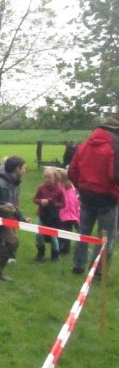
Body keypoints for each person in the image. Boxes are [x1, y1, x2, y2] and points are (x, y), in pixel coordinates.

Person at [68, 113, 119, 278]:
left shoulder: (84, 146)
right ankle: (97, 272)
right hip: (107, 197)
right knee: (106, 237)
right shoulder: (114, 147)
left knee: (84, 232)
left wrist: (81, 187)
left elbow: (72, 171)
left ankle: (78, 265)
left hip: (86, 194)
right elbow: (115, 176)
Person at [32, 167, 65, 262]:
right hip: (41, 215)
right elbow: (35, 199)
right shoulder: (41, 188)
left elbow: (63, 204)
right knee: (38, 233)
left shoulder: (59, 190)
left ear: (55, 178)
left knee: (53, 236)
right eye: (45, 177)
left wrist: (52, 203)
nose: (47, 180)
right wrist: (41, 201)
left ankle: (55, 254)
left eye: (49, 178)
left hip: (53, 217)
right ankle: (40, 253)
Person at [57, 168, 80, 256]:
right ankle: (60, 248)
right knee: (62, 234)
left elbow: (76, 204)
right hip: (62, 217)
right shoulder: (59, 190)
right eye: (68, 181)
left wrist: (77, 217)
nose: (70, 183)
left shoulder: (73, 191)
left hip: (72, 217)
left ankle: (66, 250)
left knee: (69, 234)